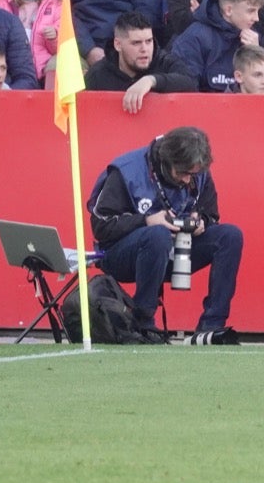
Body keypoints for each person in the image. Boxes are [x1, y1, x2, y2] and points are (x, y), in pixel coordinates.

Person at [89, 126, 243, 343]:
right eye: (183, 174)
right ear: (167, 161)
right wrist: (146, 220)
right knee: (157, 234)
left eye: (194, 175)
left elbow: (212, 214)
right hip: (122, 254)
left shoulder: (197, 173)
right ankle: (143, 322)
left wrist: (202, 222)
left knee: (230, 236)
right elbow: (101, 227)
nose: (189, 180)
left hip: (177, 250)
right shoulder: (127, 171)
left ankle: (212, 324)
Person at [168, 0, 264, 91]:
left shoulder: (252, 38)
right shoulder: (194, 38)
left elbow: (262, 89)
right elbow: (186, 89)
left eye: (257, 11)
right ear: (229, 10)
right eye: (250, 11)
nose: (256, 18)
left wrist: (255, 54)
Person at [84, 10, 199, 110]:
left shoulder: (164, 61)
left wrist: (151, 80)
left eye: (149, 41)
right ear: (118, 45)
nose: (144, 49)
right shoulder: (98, 74)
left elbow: (191, 84)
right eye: (136, 43)